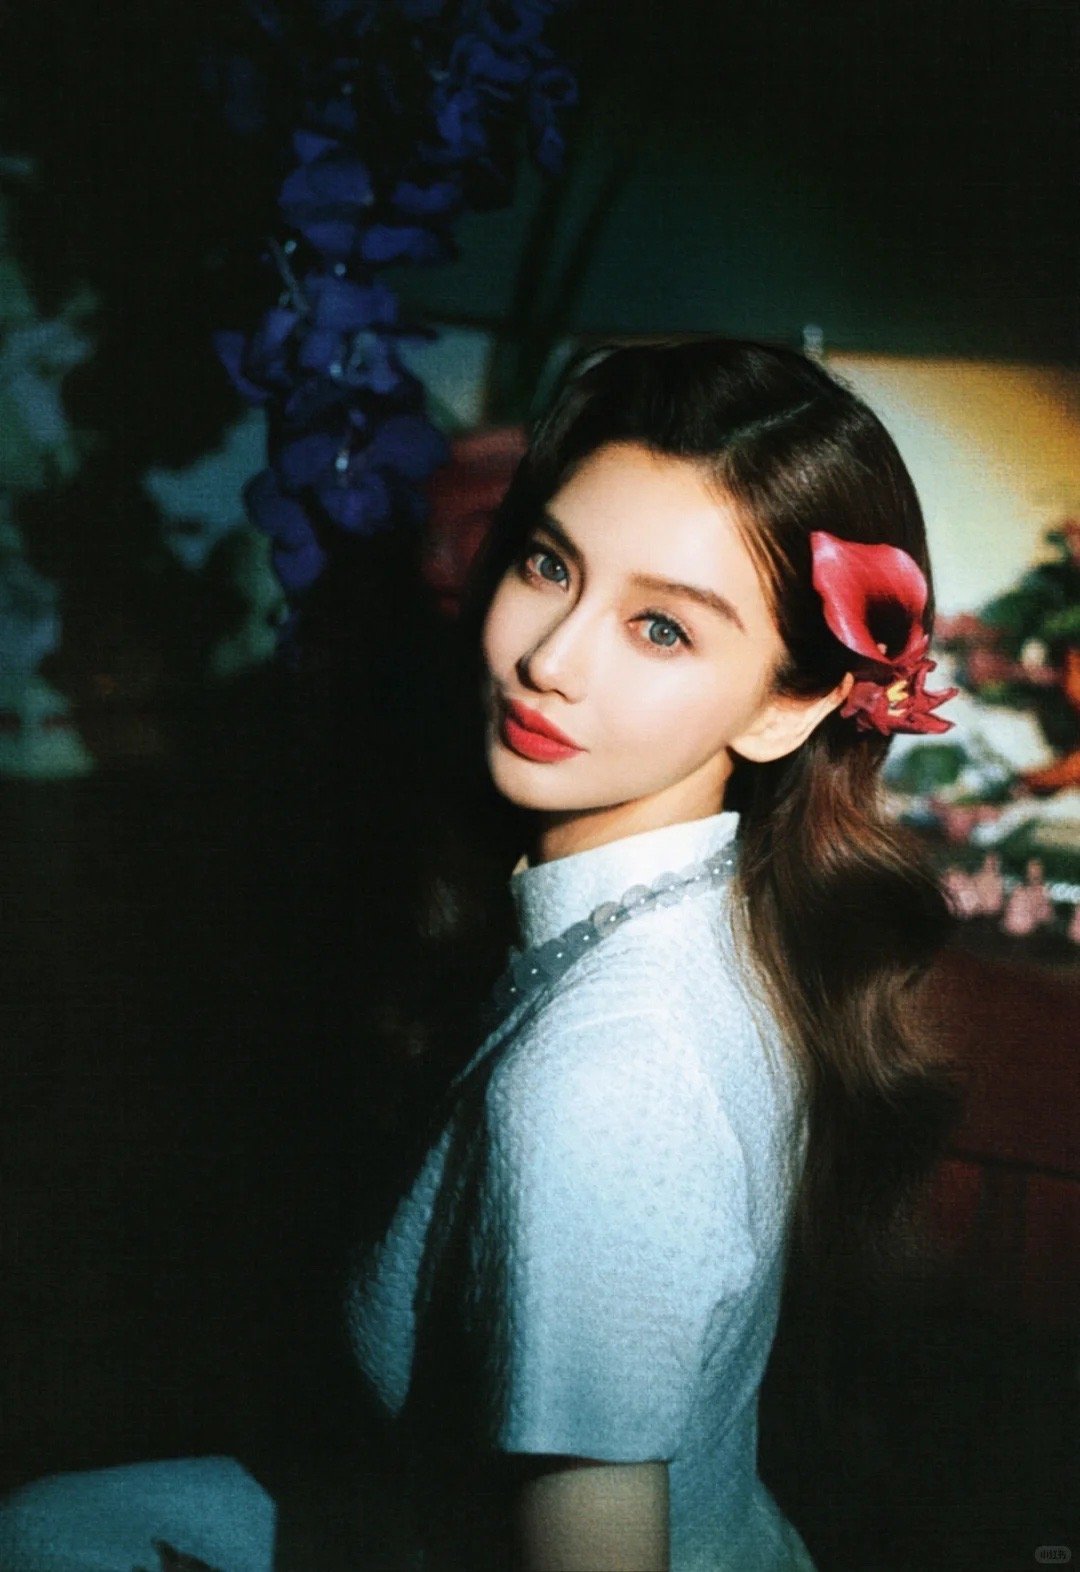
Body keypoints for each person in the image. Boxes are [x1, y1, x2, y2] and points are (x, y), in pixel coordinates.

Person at [0, 337, 962, 1571]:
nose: (549, 657)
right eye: (549, 563)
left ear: (790, 705)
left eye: (660, 628)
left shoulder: (608, 1081)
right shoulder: (699, 910)